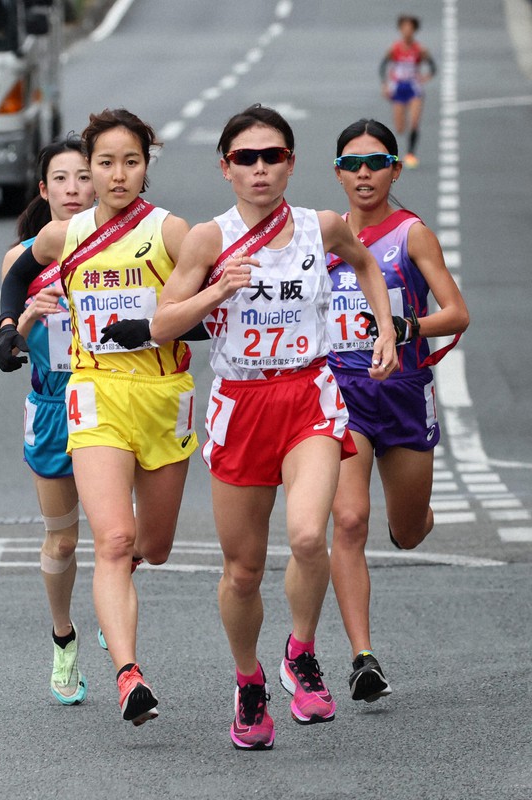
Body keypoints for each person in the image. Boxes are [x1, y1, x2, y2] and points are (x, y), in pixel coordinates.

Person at [151, 104, 397, 750]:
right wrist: (215, 293)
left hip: (308, 395)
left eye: (272, 156)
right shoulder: (209, 238)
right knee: (242, 570)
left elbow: (367, 265)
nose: (259, 169)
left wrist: (386, 327)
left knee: (309, 536)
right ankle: (249, 680)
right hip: (240, 404)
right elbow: (160, 322)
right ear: (225, 167)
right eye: (245, 158)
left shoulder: (321, 227)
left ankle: (302, 651)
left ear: (290, 162)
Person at [0, 108, 199, 727]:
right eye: (100, 165)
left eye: (126, 163)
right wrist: (13, 325)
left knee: (150, 546)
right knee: (94, 539)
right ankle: (106, 663)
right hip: (82, 398)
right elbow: (17, 279)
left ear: (144, 166)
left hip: (162, 396)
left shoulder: (171, 232)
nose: (109, 177)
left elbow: (213, 315)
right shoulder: (61, 238)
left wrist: (160, 323)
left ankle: (120, 594)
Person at [326, 118, 469, 704]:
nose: (365, 173)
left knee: (408, 533)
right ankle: (363, 657)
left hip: (406, 391)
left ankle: (412, 516)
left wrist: (408, 325)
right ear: (337, 171)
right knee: (350, 520)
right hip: (344, 393)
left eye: (377, 162)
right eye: (354, 164)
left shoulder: (412, 235)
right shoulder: (322, 235)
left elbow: (457, 313)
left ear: (393, 169)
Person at [0, 137, 95, 706]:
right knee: (62, 542)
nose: (74, 189)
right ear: (44, 190)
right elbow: (11, 352)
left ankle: (113, 598)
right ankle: (64, 638)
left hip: (115, 398)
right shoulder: (22, 259)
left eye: (84, 177)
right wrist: (30, 317)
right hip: (54, 407)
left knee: (124, 538)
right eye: (61, 179)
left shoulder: (126, 247)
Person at [379, 15, 436, 168]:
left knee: (414, 122)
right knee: (399, 127)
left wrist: (426, 76)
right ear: (400, 29)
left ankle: (411, 154)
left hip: (413, 88)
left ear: (414, 30)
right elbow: (383, 67)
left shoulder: (420, 49)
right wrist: (385, 85)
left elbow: (433, 67)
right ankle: (395, 152)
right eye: (404, 28)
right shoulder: (394, 48)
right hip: (398, 88)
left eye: (410, 28)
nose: (407, 31)